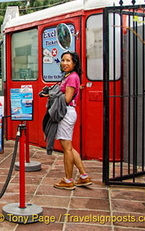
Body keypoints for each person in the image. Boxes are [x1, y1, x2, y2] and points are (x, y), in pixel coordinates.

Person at [52, 51, 92, 190]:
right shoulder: (70, 76)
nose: (64, 63)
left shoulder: (72, 77)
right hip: (68, 112)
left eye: (68, 61)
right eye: (63, 60)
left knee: (66, 148)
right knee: (68, 146)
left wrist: (52, 96)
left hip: (66, 113)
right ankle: (83, 176)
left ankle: (68, 180)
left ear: (74, 63)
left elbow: (67, 99)